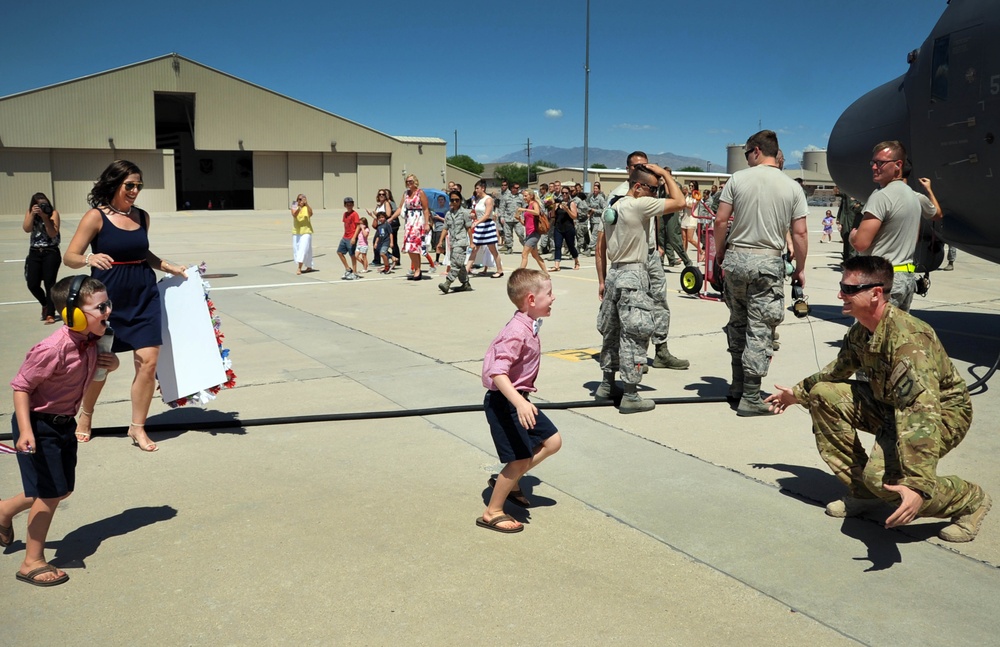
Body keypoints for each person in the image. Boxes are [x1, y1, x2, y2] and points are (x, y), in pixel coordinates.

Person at [764, 256, 991, 542]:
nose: (840, 294)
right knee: (822, 395)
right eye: (841, 286)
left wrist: (916, 483)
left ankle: (969, 499)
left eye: (849, 289)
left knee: (889, 483)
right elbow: (836, 371)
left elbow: (920, 410)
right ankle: (865, 493)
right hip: (891, 407)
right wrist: (797, 393)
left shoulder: (909, 341)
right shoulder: (861, 331)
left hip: (941, 416)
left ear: (876, 293)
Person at [0, 276, 120, 586]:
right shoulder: (51, 349)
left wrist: (112, 363)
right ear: (74, 315)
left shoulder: (94, 340)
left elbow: (88, 373)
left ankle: (4, 510)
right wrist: (25, 431)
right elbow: (21, 387)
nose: (108, 311)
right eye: (100, 307)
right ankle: (32, 561)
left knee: (61, 488)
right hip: (38, 425)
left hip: (63, 423)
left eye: (108, 304)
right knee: (50, 494)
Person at [63, 159, 187, 451]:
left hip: (144, 297)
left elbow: (143, 253)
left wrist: (169, 266)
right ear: (114, 184)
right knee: (101, 367)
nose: (135, 190)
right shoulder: (96, 217)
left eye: (139, 185)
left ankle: (138, 427)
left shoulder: (142, 216)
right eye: (129, 185)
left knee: (148, 362)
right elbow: (69, 256)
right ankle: (86, 415)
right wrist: (88, 259)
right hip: (107, 301)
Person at [714, 130, 808, 416]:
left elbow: (720, 221)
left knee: (738, 323)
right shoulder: (792, 187)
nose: (746, 159)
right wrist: (800, 269)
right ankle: (751, 395)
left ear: (756, 151)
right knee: (760, 330)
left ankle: (737, 385)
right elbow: (800, 233)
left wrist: (721, 254)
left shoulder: (738, 179)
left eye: (746, 154)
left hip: (736, 260)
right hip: (767, 264)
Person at [595, 163, 686, 413]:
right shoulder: (638, 204)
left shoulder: (613, 207)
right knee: (634, 334)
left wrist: (602, 278)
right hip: (633, 274)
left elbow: (600, 246)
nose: (655, 195)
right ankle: (631, 395)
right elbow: (680, 202)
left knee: (611, 332)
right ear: (638, 187)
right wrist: (667, 174)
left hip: (615, 273)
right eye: (653, 189)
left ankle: (606, 384)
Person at [479, 268, 561, 533]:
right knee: (518, 459)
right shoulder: (517, 331)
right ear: (531, 300)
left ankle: (510, 481)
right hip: (506, 403)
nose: (554, 298)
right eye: (549, 293)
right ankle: (493, 511)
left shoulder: (528, 323)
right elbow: (497, 372)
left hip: (519, 400)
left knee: (552, 441)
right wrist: (519, 403)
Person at [848, 140, 922, 310]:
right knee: (894, 335)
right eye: (873, 162)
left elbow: (861, 243)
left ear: (898, 165)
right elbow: (914, 237)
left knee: (866, 335)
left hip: (883, 280)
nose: (874, 167)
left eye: (880, 163)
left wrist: (853, 236)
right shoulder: (913, 196)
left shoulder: (882, 196)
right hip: (905, 278)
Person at [23, 192, 62, 324]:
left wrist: (45, 217)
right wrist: (33, 214)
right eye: (39, 205)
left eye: (44, 204)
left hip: (50, 252)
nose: (42, 207)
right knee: (32, 283)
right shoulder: (30, 213)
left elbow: (52, 233)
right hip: (34, 252)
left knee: (49, 283)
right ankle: (46, 304)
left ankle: (50, 314)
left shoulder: (53, 214)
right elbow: (26, 229)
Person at [390, 175, 432, 281]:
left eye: (411, 181)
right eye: (407, 181)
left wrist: (427, 223)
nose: (409, 183)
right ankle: (417, 269)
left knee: (414, 246)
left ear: (415, 182)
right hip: (409, 222)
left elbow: (426, 209)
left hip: (418, 221)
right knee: (410, 247)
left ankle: (417, 270)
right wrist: (391, 218)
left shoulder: (420, 193)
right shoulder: (405, 194)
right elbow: (400, 208)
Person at [437, 190, 474, 294]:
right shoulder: (448, 214)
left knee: (455, 264)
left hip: (461, 242)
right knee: (460, 264)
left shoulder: (465, 213)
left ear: (460, 200)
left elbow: (469, 229)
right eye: (452, 200)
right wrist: (440, 242)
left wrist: (472, 242)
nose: (454, 202)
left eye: (456, 200)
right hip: (452, 242)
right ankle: (465, 283)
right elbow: (445, 228)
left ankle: (447, 283)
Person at [466, 180, 504, 279]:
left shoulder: (488, 199)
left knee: (492, 250)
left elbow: (487, 214)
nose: (476, 190)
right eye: (475, 188)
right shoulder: (478, 200)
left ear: (483, 188)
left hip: (487, 226)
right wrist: (473, 216)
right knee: (474, 249)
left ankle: (500, 270)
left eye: (477, 188)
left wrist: (477, 222)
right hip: (479, 226)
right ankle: (465, 271)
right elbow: (477, 212)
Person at [515, 189, 548, 273]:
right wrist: (519, 219)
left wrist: (524, 210)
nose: (524, 197)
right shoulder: (527, 206)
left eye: (526, 195)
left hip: (534, 233)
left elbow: (537, 212)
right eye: (523, 196)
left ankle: (520, 274)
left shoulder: (534, 204)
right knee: (535, 255)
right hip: (529, 233)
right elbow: (526, 224)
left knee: (524, 254)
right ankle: (546, 273)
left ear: (531, 196)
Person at [548, 187, 580, 272]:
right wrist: (553, 206)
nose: (564, 194)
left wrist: (567, 209)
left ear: (569, 193)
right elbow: (553, 216)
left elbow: (574, 216)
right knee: (557, 246)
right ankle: (557, 265)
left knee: (571, 246)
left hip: (569, 228)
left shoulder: (571, 203)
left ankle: (576, 261)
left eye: (566, 193)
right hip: (558, 227)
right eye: (563, 193)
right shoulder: (558, 204)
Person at [365, 189, 393, 266]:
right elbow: (377, 217)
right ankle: (385, 257)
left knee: (378, 243)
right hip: (379, 226)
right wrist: (371, 214)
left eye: (383, 194)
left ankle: (382, 258)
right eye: (380, 194)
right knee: (376, 243)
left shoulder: (386, 203)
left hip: (384, 226)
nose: (381, 196)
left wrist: (376, 213)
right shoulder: (379, 205)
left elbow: (388, 214)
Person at [290, 194, 314, 275]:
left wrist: (306, 204)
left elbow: (311, 214)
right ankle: (309, 266)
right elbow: (294, 214)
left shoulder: (306, 207)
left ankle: (299, 268)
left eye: (302, 199)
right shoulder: (294, 205)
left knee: (303, 249)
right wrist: (299, 207)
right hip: (296, 231)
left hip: (306, 231)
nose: (301, 201)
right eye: (299, 199)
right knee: (298, 250)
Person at [337, 197, 361, 280]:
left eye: (351, 204)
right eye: (347, 204)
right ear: (345, 205)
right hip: (345, 236)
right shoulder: (345, 214)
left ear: (353, 205)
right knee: (339, 252)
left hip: (352, 237)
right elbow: (346, 225)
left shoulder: (355, 214)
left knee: (352, 255)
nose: (349, 206)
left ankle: (355, 272)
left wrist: (354, 237)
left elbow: (358, 226)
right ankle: (348, 268)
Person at [585, 182, 607, 256]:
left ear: (599, 190)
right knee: (593, 234)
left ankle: (589, 249)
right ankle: (597, 248)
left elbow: (604, 209)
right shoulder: (591, 198)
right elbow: (588, 205)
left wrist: (595, 210)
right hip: (591, 219)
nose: (595, 190)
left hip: (598, 220)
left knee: (594, 235)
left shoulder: (600, 198)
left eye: (596, 188)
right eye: (594, 188)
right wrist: (589, 210)